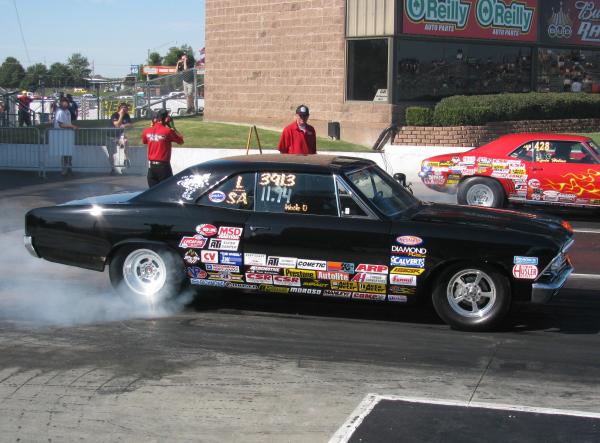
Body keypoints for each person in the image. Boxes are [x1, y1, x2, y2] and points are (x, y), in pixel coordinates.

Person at [142, 110, 184, 187]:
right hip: (163, 167)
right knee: (167, 190)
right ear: (166, 119)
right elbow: (181, 141)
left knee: (153, 191)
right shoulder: (168, 131)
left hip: (151, 167)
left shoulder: (146, 131)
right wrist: (172, 127)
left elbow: (145, 141)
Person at [54, 96, 77, 175]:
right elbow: (61, 125)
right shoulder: (59, 112)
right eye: (64, 102)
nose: (66, 103)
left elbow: (68, 122)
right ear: (61, 103)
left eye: (66, 102)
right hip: (61, 135)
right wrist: (72, 126)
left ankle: (69, 167)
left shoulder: (67, 111)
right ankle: (64, 169)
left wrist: (71, 126)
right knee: (64, 152)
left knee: (68, 152)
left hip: (67, 134)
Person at [109, 102, 133, 174]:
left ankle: (125, 159)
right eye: (124, 107)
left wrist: (124, 125)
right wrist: (121, 116)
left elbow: (130, 125)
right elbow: (117, 125)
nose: (126, 109)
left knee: (125, 141)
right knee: (111, 153)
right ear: (120, 108)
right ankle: (112, 168)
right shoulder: (115, 115)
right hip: (111, 136)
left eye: (126, 108)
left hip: (120, 135)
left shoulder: (127, 115)